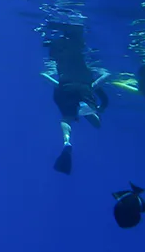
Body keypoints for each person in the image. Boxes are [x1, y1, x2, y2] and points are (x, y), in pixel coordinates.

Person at [41, 23, 110, 175]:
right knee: (96, 123)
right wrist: (101, 103)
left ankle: (67, 141)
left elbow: (45, 75)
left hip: (64, 88)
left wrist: (50, 79)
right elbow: (106, 81)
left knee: (66, 119)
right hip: (84, 86)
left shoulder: (59, 56)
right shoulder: (87, 67)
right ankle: (86, 107)